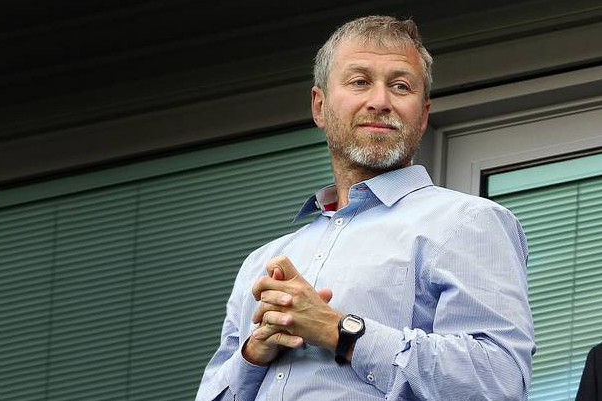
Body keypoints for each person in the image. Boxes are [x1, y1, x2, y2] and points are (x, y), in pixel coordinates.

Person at [195, 15, 536, 401]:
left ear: (423, 115)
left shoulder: (468, 222)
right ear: (319, 106)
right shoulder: (261, 263)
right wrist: (254, 354)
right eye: (360, 82)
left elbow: (498, 381)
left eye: (400, 86)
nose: (380, 101)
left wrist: (339, 331)